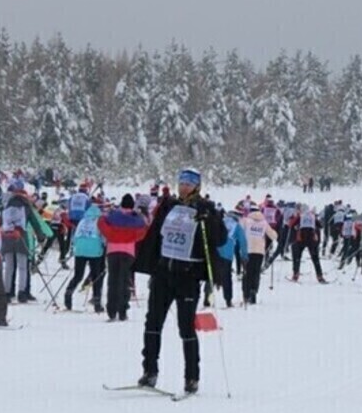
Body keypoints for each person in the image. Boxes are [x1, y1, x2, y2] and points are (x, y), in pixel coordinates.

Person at [133, 168, 227, 394]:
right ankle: (150, 371)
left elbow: (220, 238)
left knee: (185, 327)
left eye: (189, 183)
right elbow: (154, 233)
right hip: (164, 272)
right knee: (152, 323)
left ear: (197, 186)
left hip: (188, 275)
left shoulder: (205, 208)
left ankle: (192, 377)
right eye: (182, 182)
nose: (184, 187)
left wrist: (209, 220)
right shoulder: (169, 205)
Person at [98, 193, 148, 321]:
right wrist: (131, 237)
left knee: (112, 281)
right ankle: (122, 310)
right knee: (124, 281)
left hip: (112, 251)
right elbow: (145, 229)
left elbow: (101, 222)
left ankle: (111, 310)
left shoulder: (113, 216)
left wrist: (113, 235)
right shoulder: (136, 219)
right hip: (128, 251)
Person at [64, 201, 106, 312]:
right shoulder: (99, 221)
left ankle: (69, 292)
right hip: (94, 251)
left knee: (78, 275)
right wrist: (104, 246)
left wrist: (74, 248)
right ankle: (97, 303)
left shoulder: (82, 221)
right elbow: (103, 237)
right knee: (96, 276)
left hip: (80, 250)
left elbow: (75, 236)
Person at [240, 203, 277, 305]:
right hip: (260, 252)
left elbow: (238, 229)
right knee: (256, 273)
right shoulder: (264, 222)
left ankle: (246, 294)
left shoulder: (246, 221)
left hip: (248, 251)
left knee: (247, 272)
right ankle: (254, 292)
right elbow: (274, 235)